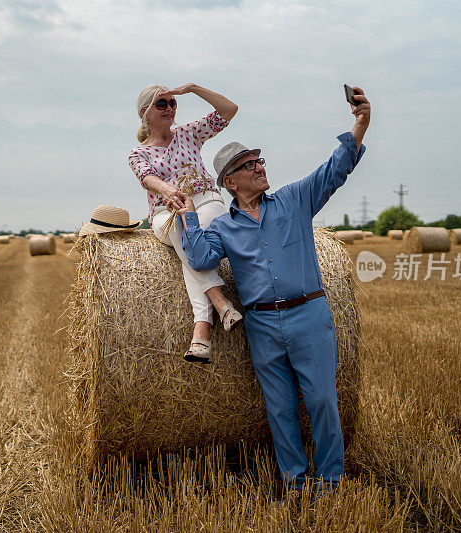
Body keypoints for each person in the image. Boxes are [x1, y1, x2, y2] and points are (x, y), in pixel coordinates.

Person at [177, 87, 371, 498]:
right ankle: (297, 484)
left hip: (309, 315)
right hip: (262, 324)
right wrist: (189, 218)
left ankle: (331, 482)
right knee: (280, 410)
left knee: (321, 401)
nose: (259, 167)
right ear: (229, 181)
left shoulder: (295, 199)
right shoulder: (223, 227)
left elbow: (335, 168)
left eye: (259, 160)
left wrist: (360, 123)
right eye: (248, 165)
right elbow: (198, 259)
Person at [128, 83, 243, 363]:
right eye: (161, 104)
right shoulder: (137, 153)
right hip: (166, 213)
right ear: (145, 113)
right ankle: (220, 302)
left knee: (191, 243)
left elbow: (229, 110)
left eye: (172, 103)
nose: (169, 108)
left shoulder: (189, 133)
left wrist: (192, 89)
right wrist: (167, 191)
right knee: (184, 231)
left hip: (205, 201)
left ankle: (201, 329)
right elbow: (146, 178)